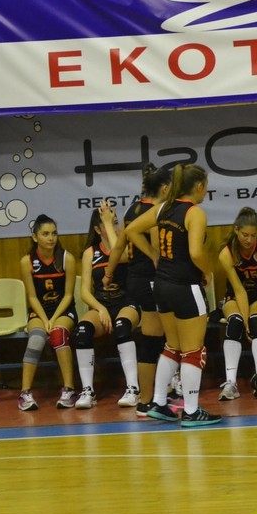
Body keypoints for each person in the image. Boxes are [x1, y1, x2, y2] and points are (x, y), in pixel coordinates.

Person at [124, 164, 221, 427]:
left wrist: (154, 255)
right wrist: (208, 271)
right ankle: (191, 411)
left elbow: (131, 230)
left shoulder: (163, 208)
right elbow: (196, 253)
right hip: (185, 286)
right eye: (206, 186)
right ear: (199, 186)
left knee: (172, 346)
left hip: (161, 285)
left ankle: (158, 402)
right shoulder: (194, 213)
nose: (206, 191)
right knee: (193, 350)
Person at [104, 164, 173, 417]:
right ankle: (153, 399)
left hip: (134, 280)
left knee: (154, 339)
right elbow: (157, 248)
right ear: (164, 189)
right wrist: (159, 259)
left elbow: (118, 247)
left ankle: (150, 399)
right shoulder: (155, 212)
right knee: (159, 340)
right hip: (151, 280)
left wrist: (108, 274)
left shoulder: (132, 210)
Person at [74, 200, 141, 409]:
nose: (115, 226)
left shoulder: (126, 247)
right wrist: (100, 308)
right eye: (109, 223)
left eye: (116, 222)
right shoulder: (90, 253)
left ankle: (133, 388)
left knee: (122, 325)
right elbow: (85, 291)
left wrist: (110, 226)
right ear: (97, 229)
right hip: (102, 305)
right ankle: (88, 391)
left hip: (127, 303)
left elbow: (117, 253)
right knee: (82, 329)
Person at [217, 207, 257, 401]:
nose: (249, 240)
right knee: (235, 322)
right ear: (236, 230)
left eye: (253, 235)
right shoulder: (226, 253)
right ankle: (230, 383)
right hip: (235, 296)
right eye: (245, 235)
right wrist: (244, 323)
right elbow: (239, 290)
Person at [18, 214, 78, 411]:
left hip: (63, 310)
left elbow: (68, 295)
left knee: (58, 334)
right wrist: (45, 320)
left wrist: (53, 319)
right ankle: (25, 394)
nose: (51, 238)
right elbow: (32, 297)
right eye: (45, 234)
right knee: (36, 338)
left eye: (54, 233)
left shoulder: (66, 258)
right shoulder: (27, 261)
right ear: (35, 237)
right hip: (39, 311)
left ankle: (69, 390)